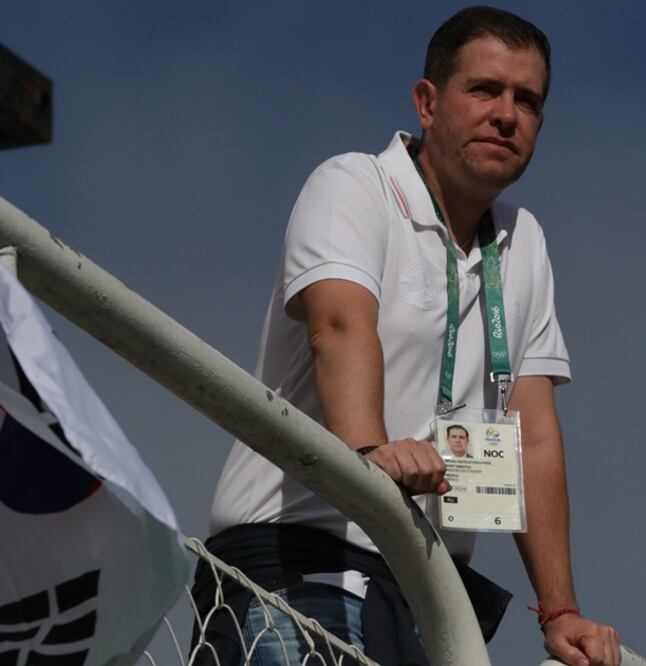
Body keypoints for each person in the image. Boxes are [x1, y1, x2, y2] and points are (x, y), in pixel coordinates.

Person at [199, 6, 621, 666]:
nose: (506, 114)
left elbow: (531, 432)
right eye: (484, 90)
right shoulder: (354, 185)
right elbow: (336, 325)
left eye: (527, 100)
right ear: (427, 102)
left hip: (424, 592)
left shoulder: (523, 241)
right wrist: (367, 452)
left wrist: (560, 611)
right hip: (302, 563)